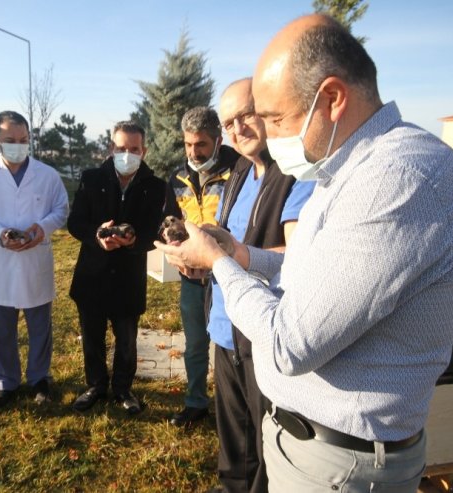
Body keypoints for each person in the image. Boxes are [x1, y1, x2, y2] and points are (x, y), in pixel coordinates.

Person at [156, 14, 453, 492]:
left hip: (342, 463)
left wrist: (219, 262)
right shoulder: (350, 169)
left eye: (274, 118)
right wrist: (244, 255)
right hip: (314, 448)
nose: (266, 132)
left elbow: (290, 346)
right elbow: (315, 268)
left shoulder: (400, 181)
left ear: (331, 99)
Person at [210, 78, 313, 492]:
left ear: (268, 110)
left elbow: (299, 255)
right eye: (228, 123)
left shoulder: (296, 174)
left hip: (266, 328)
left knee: (265, 434)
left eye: (246, 115)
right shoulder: (237, 171)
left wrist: (226, 255)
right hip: (225, 322)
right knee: (233, 431)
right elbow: (226, 237)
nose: (238, 129)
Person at [0, 111, 69, 409]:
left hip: (36, 259)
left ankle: (40, 379)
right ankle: (5, 382)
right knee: (1, 328)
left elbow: (61, 209)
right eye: (10, 140)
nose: (18, 146)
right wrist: (0, 234)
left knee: (39, 327)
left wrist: (42, 228)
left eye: (23, 140)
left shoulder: (47, 174)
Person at [68, 121, 165, 415]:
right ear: (111, 148)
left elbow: (154, 232)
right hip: (92, 274)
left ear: (144, 150)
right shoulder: (91, 178)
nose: (127, 154)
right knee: (92, 337)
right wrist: (98, 236)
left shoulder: (155, 186)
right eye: (121, 148)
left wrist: (135, 239)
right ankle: (95, 385)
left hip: (128, 277)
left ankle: (123, 388)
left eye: (134, 149)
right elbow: (75, 223)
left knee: (126, 340)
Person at [165, 106, 239, 427]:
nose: (193, 153)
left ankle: (235, 406)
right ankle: (196, 402)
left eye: (201, 145)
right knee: (195, 344)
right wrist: (176, 249)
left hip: (231, 274)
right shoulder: (177, 178)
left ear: (218, 140)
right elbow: (170, 221)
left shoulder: (240, 171)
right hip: (191, 278)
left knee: (233, 345)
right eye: (188, 145)